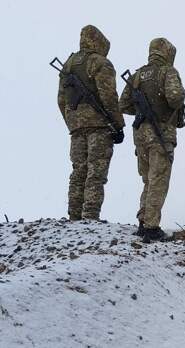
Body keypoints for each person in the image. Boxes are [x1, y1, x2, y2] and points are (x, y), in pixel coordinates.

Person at [119, 38, 185, 243]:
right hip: (160, 132)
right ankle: (151, 227)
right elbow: (175, 97)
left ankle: (143, 221)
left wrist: (142, 111)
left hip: (140, 135)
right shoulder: (167, 72)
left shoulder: (138, 75)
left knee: (148, 179)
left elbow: (123, 104)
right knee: (159, 179)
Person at [57, 25, 124, 221]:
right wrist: (118, 124)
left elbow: (61, 100)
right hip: (100, 126)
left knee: (78, 171)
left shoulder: (68, 65)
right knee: (96, 171)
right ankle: (90, 217)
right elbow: (109, 96)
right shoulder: (100, 62)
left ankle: (74, 216)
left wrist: (73, 121)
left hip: (77, 128)